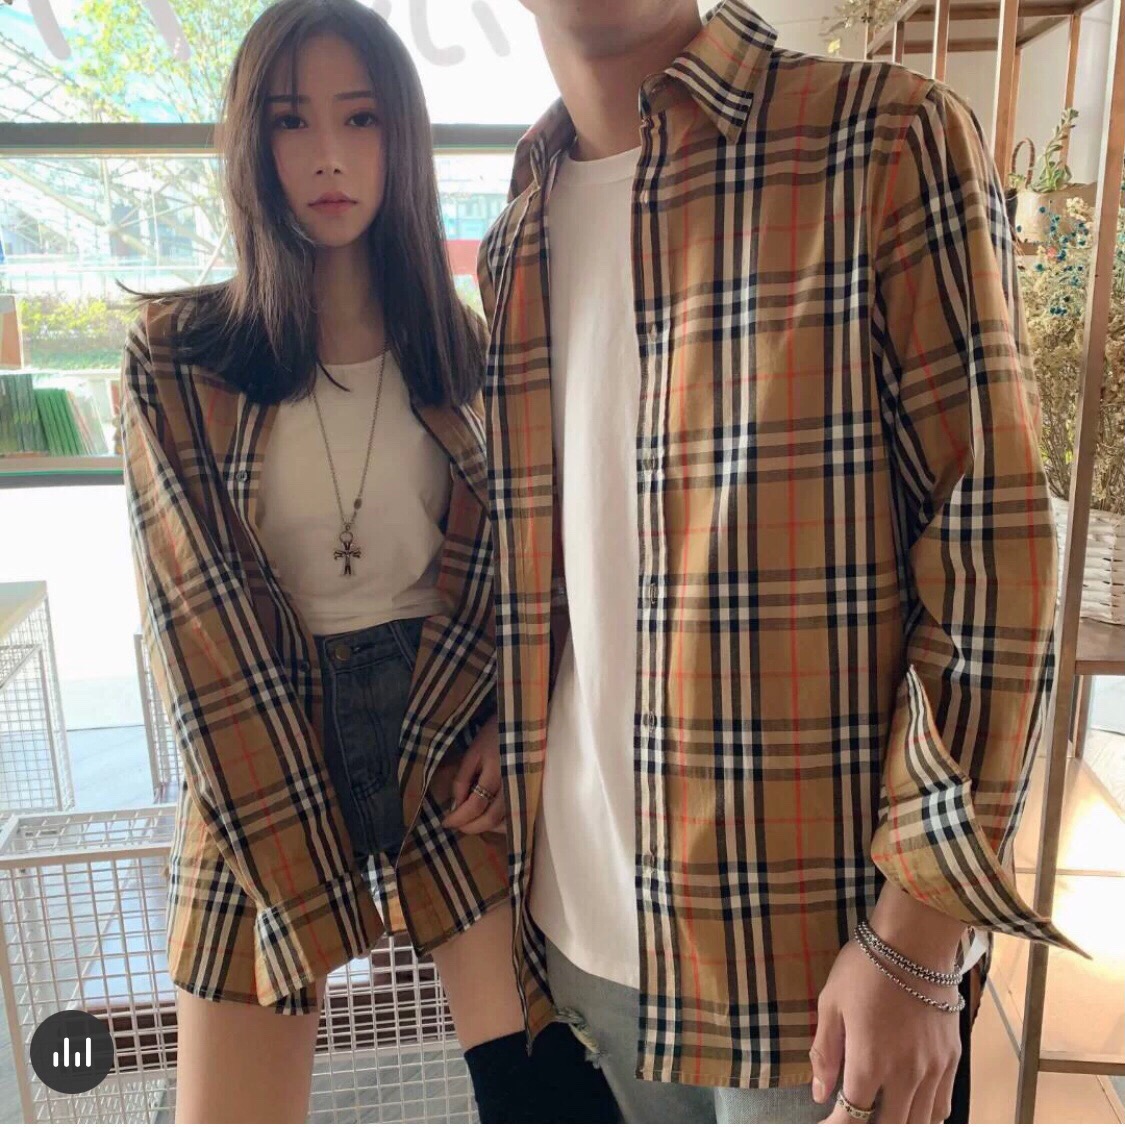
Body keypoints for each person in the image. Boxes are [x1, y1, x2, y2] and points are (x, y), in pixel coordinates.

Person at [474, 1, 1080, 1123]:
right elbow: (550, 582)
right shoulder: (516, 233)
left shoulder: (882, 141)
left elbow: (993, 560)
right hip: (580, 938)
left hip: (824, 967)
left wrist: (918, 935)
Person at [118, 0, 618, 1121]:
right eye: (291, 122)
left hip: (442, 730)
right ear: (252, 143)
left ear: (403, 138)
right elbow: (199, 627)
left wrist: (512, 725)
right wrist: (315, 896)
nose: (329, 156)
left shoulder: (472, 352)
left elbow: (537, 573)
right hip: (259, 731)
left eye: (360, 118)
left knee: (547, 1096)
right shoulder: (179, 359)